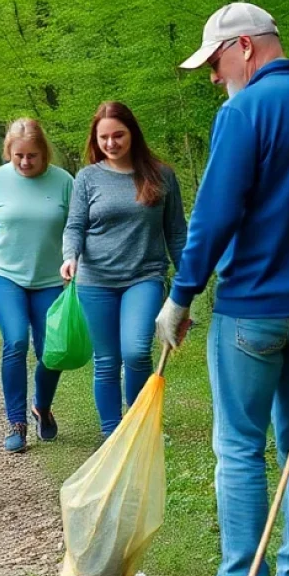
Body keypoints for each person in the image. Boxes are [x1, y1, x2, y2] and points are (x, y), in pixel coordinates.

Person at [155, 3, 289, 576]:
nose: (213, 76)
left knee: (241, 448)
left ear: (244, 47)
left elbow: (215, 214)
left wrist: (181, 295)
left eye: (216, 62)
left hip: (252, 309)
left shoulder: (244, 111)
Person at [61, 102, 186, 439]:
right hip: (95, 280)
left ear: (133, 133)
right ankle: (111, 433)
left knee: (135, 351)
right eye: (103, 138)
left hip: (144, 276)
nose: (111, 143)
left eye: (118, 135)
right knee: (106, 360)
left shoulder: (161, 175)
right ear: (95, 139)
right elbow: (75, 225)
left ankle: (137, 426)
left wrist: (188, 281)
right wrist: (70, 256)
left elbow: (177, 233)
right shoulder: (87, 178)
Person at [0, 119, 73, 454]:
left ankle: (41, 406)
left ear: (44, 153)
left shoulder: (64, 182)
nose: (25, 162)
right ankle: (16, 422)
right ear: (8, 153)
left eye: (32, 156)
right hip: (5, 274)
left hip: (50, 278)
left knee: (51, 351)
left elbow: (76, 226)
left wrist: (75, 260)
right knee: (15, 341)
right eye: (19, 156)